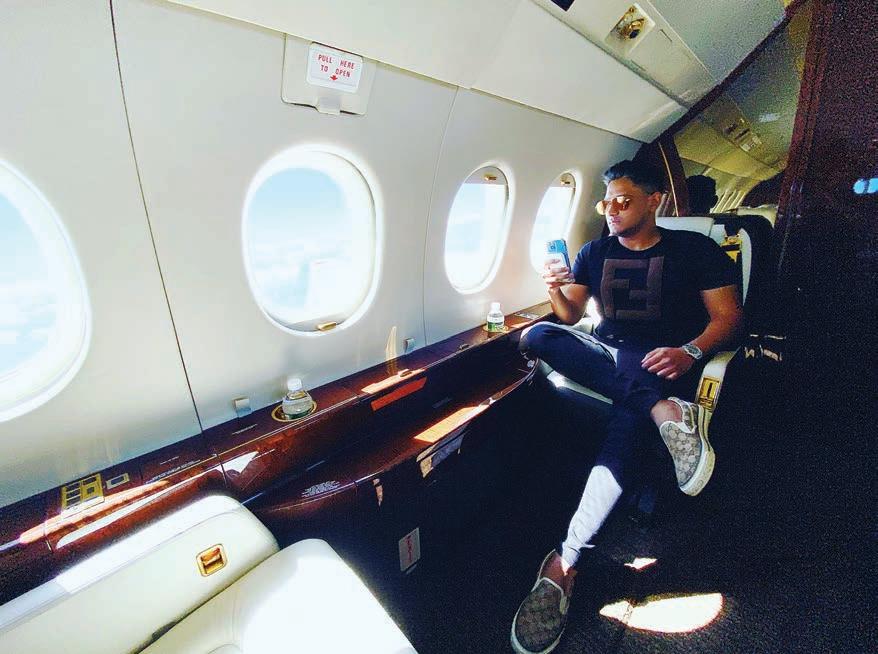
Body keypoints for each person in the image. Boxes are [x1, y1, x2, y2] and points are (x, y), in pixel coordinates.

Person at [510, 160, 743, 654]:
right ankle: (664, 412)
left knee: (624, 429)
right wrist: (553, 286)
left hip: (665, 359)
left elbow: (728, 318)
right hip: (610, 354)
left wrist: (691, 351)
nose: (612, 210)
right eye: (605, 202)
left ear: (654, 200)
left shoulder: (695, 249)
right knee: (538, 335)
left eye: (623, 200)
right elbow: (570, 314)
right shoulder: (594, 252)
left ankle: (564, 565)